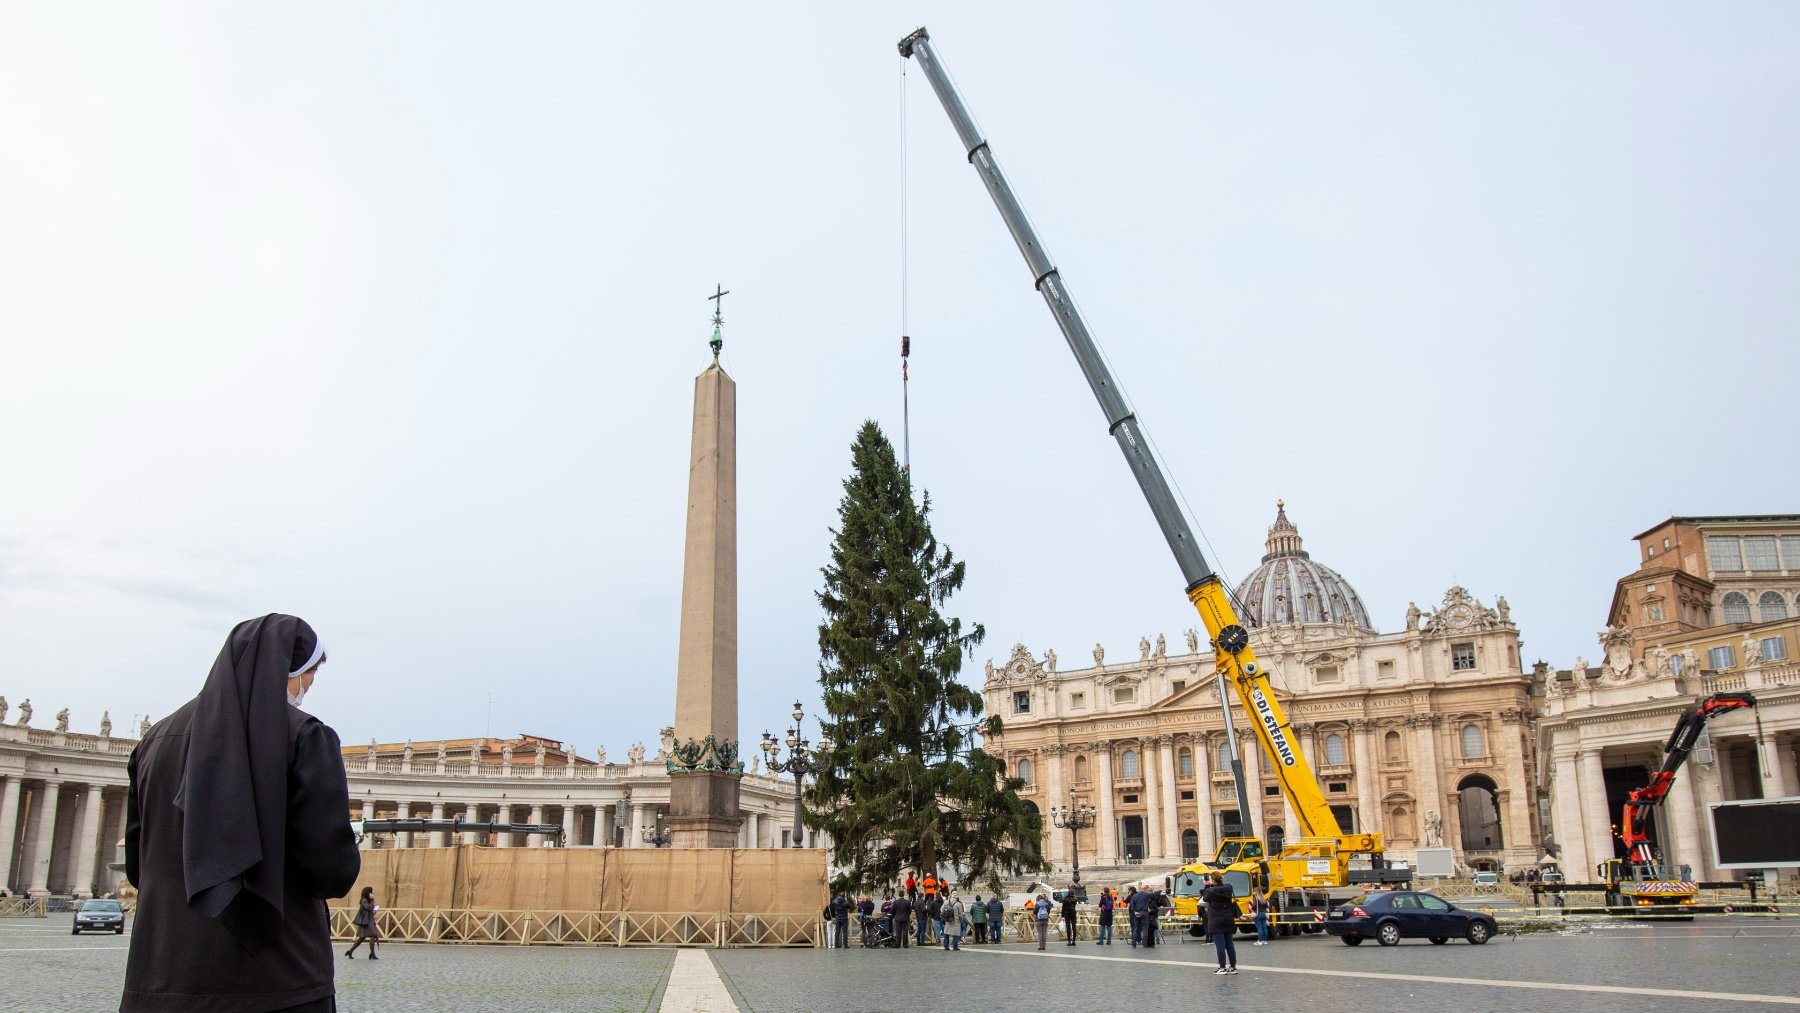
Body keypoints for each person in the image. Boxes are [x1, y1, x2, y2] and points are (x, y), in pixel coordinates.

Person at [122, 614, 360, 1012]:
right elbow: (329, 871)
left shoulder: (155, 740)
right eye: (311, 674)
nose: (310, 685)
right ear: (292, 669)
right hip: (276, 974)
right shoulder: (305, 736)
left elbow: (136, 864)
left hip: (162, 971)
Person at [1202, 873, 1238, 974]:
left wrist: (1207, 886)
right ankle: (1233, 967)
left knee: (1220, 945)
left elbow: (1204, 898)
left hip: (1216, 920)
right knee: (1230, 944)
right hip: (1228, 918)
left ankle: (1222, 967)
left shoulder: (1211, 891)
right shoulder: (1229, 888)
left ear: (1213, 880)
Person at [345, 887, 380, 960]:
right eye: (371, 892)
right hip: (366, 921)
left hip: (370, 920)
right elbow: (368, 908)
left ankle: (350, 951)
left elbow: (371, 909)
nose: (372, 893)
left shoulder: (369, 900)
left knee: (362, 938)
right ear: (368, 892)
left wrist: (374, 910)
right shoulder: (363, 900)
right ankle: (372, 954)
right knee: (371, 935)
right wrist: (372, 901)